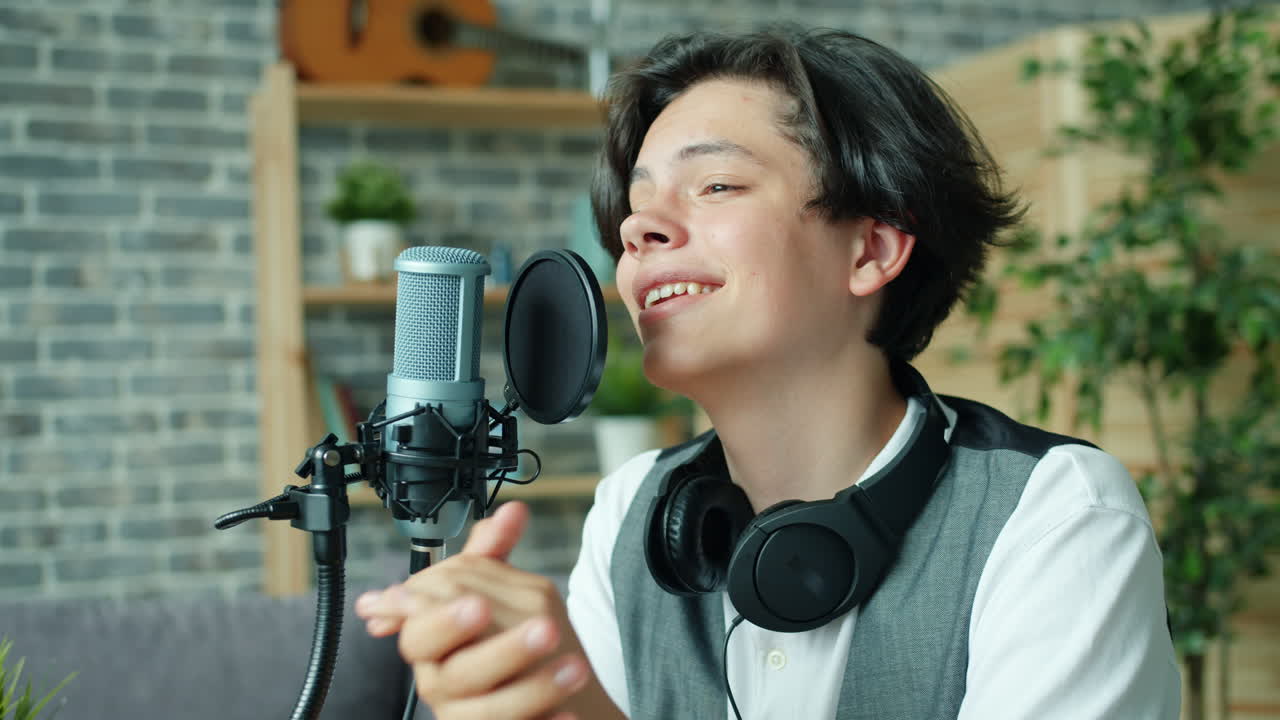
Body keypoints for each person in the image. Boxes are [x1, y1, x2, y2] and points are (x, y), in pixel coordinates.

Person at [355, 26, 1182, 719]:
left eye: (715, 183)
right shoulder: (628, 513)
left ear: (870, 249)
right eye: (636, 207)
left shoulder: (1057, 519)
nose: (638, 228)